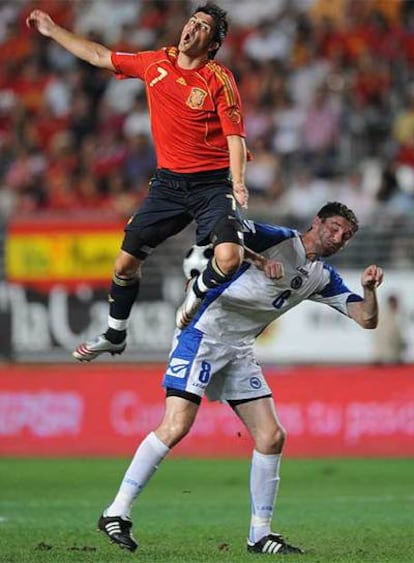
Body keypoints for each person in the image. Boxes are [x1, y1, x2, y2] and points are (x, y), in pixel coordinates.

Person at [96, 202, 383, 554]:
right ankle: (116, 512)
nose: (339, 238)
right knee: (176, 425)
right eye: (335, 228)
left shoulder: (321, 276)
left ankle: (259, 535)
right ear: (317, 222)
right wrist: (258, 259)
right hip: (202, 333)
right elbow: (224, 234)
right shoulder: (274, 238)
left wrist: (369, 290)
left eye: (347, 236)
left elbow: (366, 319)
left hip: (238, 350)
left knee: (272, 436)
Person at [26, 3, 252, 361]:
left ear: (212, 44)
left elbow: (235, 138)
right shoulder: (156, 63)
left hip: (211, 185)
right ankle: (115, 334)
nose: (192, 28)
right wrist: (54, 31)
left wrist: (238, 182)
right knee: (124, 266)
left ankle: (197, 290)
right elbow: (100, 55)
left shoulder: (218, 79)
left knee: (229, 257)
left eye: (203, 27)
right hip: (167, 186)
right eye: (192, 21)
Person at [373, 293, 406, 364]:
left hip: (394, 355)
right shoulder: (385, 317)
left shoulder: (396, 316)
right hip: (387, 357)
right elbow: (385, 337)